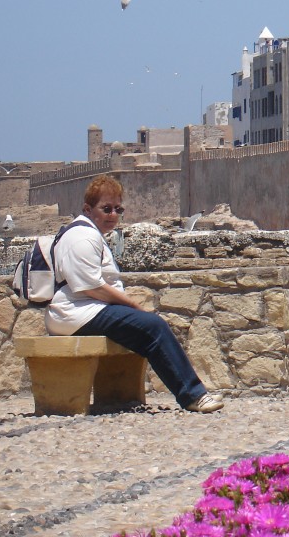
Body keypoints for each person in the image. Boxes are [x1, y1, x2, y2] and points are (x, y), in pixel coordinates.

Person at [46, 175, 223, 412]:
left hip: (86, 310)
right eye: (106, 209)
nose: (112, 215)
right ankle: (193, 395)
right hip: (76, 312)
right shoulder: (82, 237)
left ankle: (180, 392)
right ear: (88, 209)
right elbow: (91, 287)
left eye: (118, 209)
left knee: (147, 330)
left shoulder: (89, 234)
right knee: (153, 327)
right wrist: (132, 305)